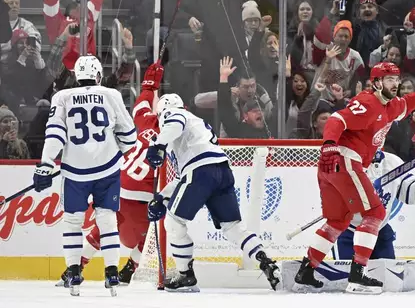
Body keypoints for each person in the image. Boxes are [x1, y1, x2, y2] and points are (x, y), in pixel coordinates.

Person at [293, 62, 415, 294]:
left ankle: (306, 270)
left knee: (338, 221)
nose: (396, 84)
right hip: (344, 160)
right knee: (375, 213)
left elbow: (408, 104)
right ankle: (357, 276)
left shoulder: (389, 105)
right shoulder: (367, 102)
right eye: (390, 80)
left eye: (397, 80)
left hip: (332, 166)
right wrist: (329, 145)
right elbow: (336, 120)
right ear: (377, 82)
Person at [145, 93, 280, 292]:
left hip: (201, 172)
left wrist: (157, 146)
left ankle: (185, 276)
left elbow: (193, 169)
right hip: (221, 171)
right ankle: (265, 260)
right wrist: (162, 197)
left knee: (173, 222)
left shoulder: (172, 114)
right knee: (232, 227)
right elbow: (184, 178)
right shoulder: (196, 125)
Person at [32, 55, 137, 296]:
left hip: (75, 172)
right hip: (108, 169)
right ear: (99, 75)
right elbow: (130, 136)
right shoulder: (111, 95)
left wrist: (46, 164)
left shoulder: (62, 97)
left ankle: (74, 272)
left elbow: (55, 133)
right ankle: (111, 272)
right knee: (107, 219)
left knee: (72, 222)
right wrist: (116, 150)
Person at [55, 63, 167, 287]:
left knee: (103, 229)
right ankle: (128, 269)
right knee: (155, 232)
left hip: (122, 184)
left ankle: (73, 270)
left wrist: (150, 84)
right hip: (145, 196)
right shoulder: (177, 134)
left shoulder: (145, 119)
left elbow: (141, 103)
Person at [336, 149, 415, 261]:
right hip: (349, 234)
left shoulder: (392, 162)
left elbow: (411, 195)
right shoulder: (343, 162)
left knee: (388, 282)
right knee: (347, 281)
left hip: (380, 232)